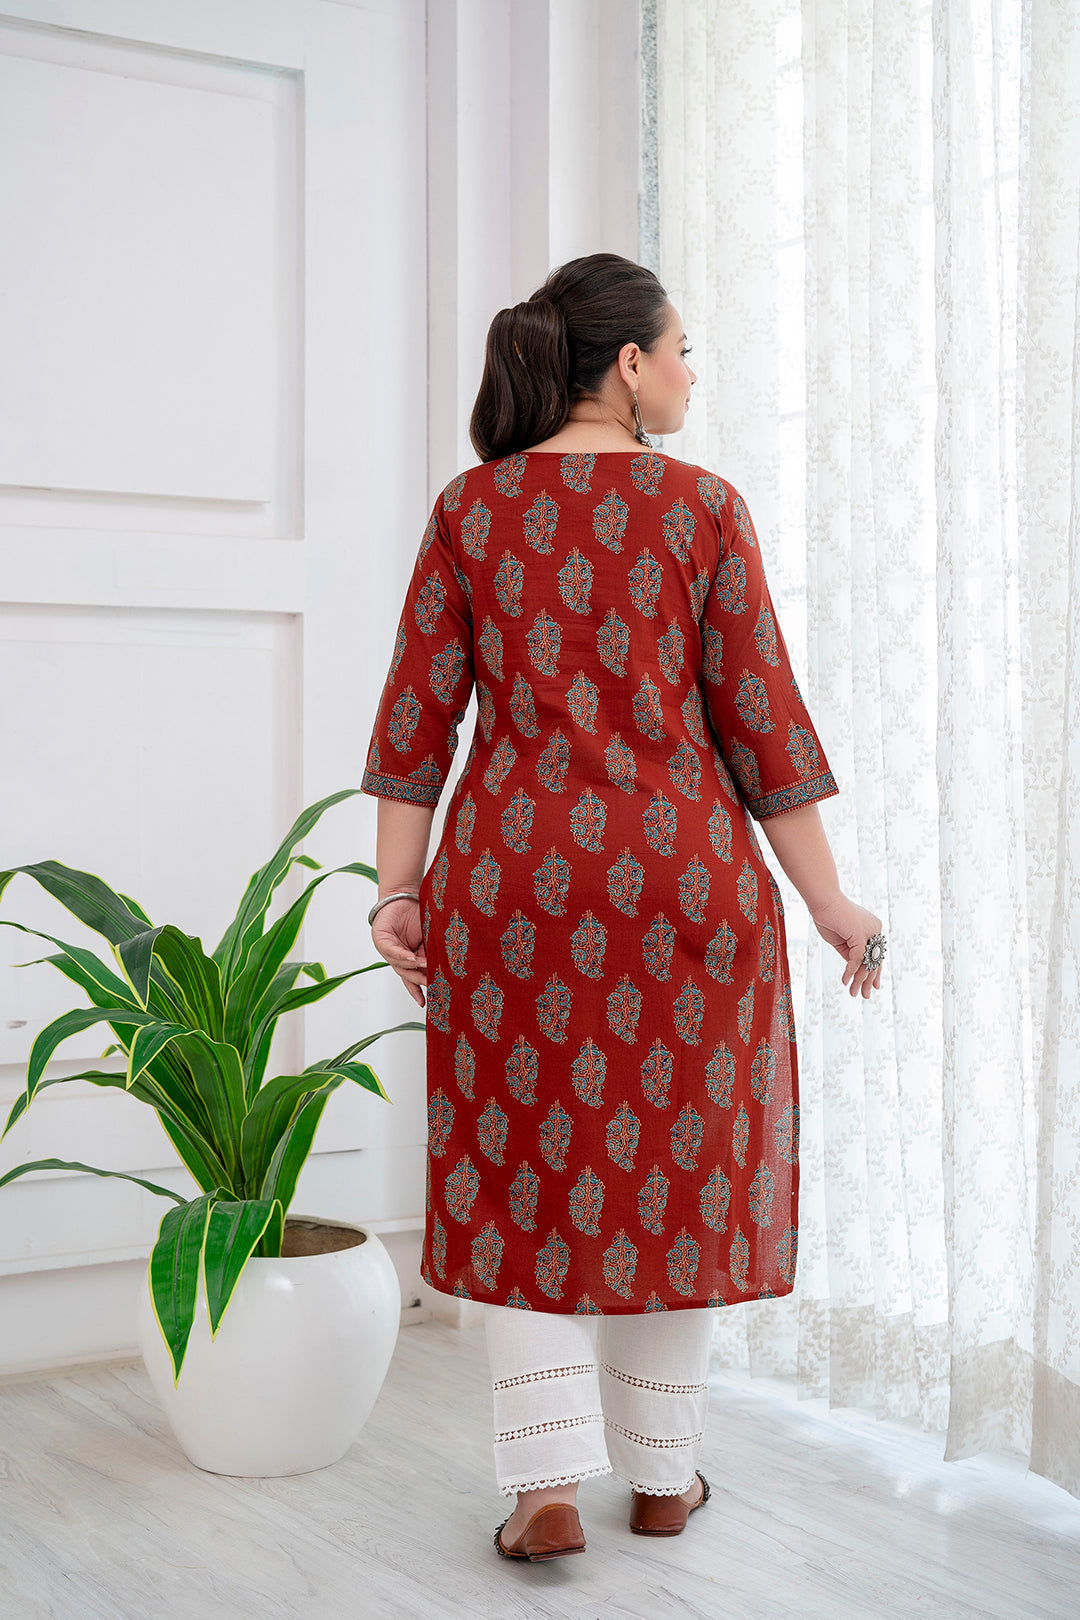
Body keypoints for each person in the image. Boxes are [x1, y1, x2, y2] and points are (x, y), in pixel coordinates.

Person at [360, 252, 885, 1564]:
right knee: (679, 1175)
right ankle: (660, 1476)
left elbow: (417, 720)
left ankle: (544, 1489)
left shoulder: (471, 510)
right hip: (685, 881)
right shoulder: (703, 508)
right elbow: (763, 723)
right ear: (631, 364)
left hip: (512, 887)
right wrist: (829, 901)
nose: (694, 374)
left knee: (520, 1175)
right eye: (684, 350)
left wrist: (397, 890)